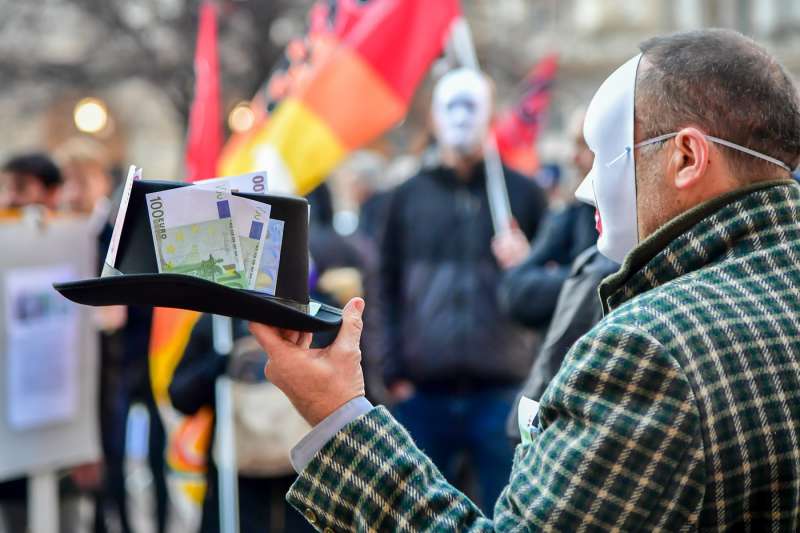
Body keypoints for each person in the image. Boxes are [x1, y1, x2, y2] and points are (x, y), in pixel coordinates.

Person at [250, 29, 800, 530]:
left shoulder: (650, 348)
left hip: (493, 384)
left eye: (609, 157)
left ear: (686, 156)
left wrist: (337, 414)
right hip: (431, 383)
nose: (584, 190)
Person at [379, 68, 547, 513]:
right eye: (450, 106)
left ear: (490, 115)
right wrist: (391, 371)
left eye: (471, 106)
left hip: (502, 388)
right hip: (422, 389)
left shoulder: (522, 195)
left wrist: (526, 261)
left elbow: (551, 285)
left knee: (506, 512)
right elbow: (383, 287)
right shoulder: (406, 197)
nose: (460, 118)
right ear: (433, 117)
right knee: (418, 515)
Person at [496, 111, 598, 329]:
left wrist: (558, 277)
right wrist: (578, 279)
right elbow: (517, 289)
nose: (574, 157)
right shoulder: (570, 213)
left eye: (584, 145)